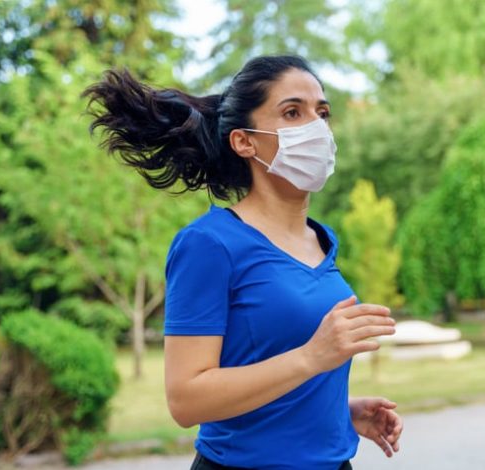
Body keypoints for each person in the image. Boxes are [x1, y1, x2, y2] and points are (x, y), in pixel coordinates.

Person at [84, 55, 403, 470]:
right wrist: (312, 357)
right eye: (293, 112)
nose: (316, 127)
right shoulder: (209, 244)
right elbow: (186, 399)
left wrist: (337, 411)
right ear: (244, 141)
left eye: (322, 113)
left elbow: (271, 360)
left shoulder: (321, 240)